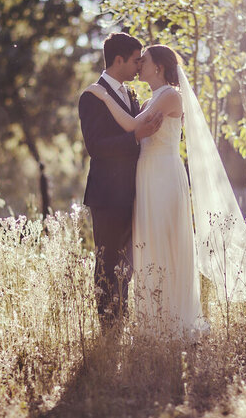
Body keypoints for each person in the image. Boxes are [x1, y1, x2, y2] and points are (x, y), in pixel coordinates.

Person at [84, 44, 246, 337]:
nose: (139, 65)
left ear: (159, 67)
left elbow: (131, 125)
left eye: (144, 60)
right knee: (149, 245)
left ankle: (173, 320)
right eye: (136, 60)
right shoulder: (151, 96)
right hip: (147, 176)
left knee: (167, 241)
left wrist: (102, 96)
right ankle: (153, 320)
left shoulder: (169, 95)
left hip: (163, 175)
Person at [78, 33, 164, 328]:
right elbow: (97, 146)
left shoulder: (131, 94)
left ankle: (123, 320)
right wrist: (136, 137)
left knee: (127, 265)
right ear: (119, 60)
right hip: (107, 195)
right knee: (107, 263)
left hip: (134, 191)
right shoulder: (91, 95)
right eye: (135, 60)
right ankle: (108, 330)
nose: (139, 65)